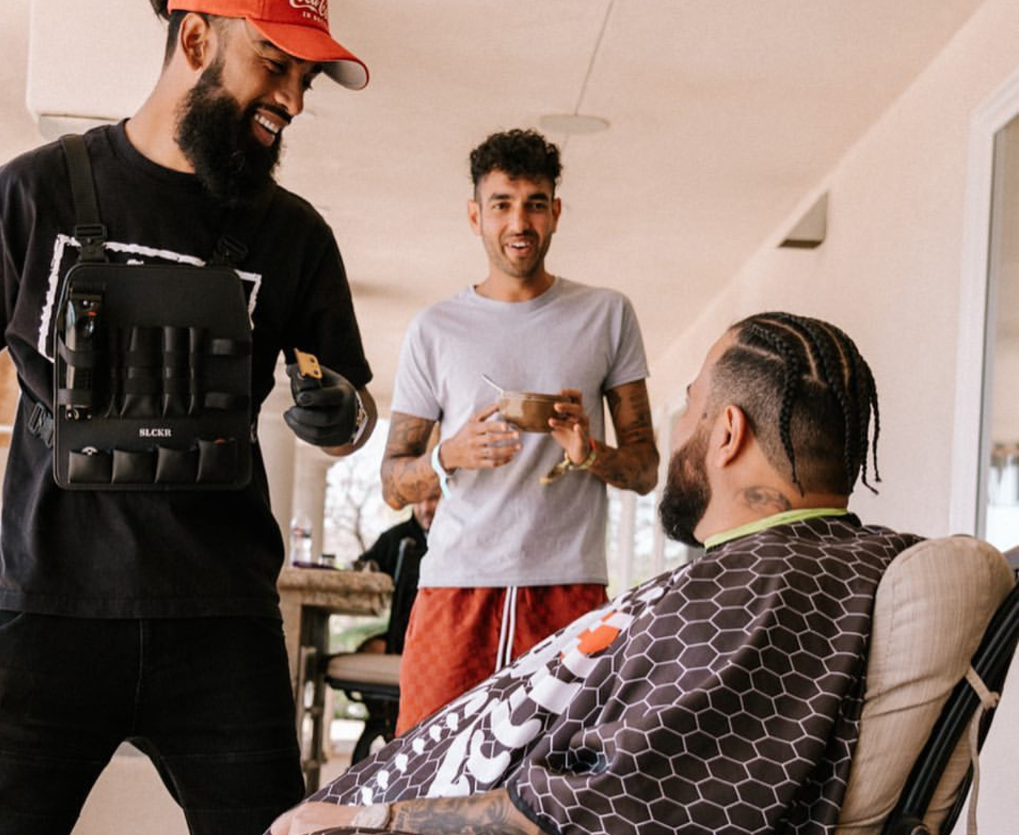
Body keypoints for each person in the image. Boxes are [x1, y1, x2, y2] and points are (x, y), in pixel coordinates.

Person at [0, 0, 376, 834]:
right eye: (277, 66)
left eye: (309, 81)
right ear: (195, 40)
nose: (293, 101)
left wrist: (342, 412)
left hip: (221, 620)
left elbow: (351, 418)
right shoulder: (35, 193)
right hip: (47, 610)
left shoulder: (296, 237)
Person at [269, 312, 920, 835]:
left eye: (688, 408)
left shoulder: (747, 601)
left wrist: (364, 819)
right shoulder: (821, 567)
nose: (679, 433)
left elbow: (575, 810)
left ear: (726, 433)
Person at [380, 129, 660, 732]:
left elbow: (644, 471)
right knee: (425, 762)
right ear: (475, 215)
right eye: (503, 203)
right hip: (456, 587)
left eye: (535, 202)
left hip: (569, 590)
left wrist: (588, 454)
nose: (519, 221)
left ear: (556, 212)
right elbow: (391, 483)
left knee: (557, 781)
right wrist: (445, 457)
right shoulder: (435, 328)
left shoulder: (607, 315)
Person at [354, 494, 438, 654]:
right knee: (368, 649)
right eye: (419, 500)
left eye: (433, 498)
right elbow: (360, 570)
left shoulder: (462, 541)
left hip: (443, 639)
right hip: (400, 640)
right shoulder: (393, 538)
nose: (426, 508)